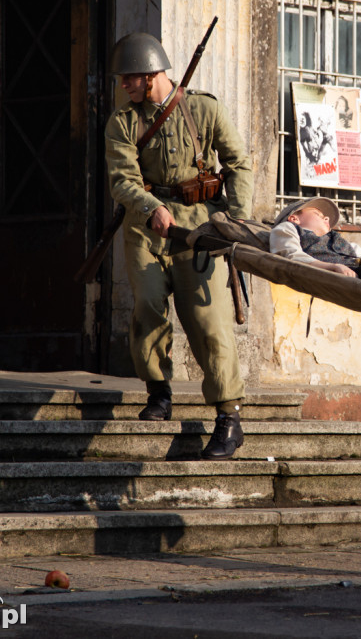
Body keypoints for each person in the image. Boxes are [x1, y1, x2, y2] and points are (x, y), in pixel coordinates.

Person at [104, 32, 252, 460]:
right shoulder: (123, 122)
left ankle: (229, 416)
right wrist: (150, 206)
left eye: (129, 79)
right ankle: (158, 391)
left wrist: (236, 220)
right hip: (147, 227)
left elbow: (238, 162)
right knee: (148, 305)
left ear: (151, 75)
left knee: (209, 322)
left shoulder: (204, 109)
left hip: (201, 228)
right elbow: (122, 179)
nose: (124, 86)